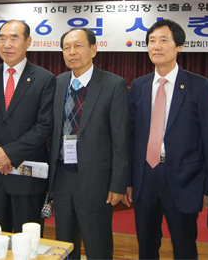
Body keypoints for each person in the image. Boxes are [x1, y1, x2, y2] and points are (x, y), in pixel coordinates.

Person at [123, 19, 208, 259]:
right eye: (152, 41)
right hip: (145, 176)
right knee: (146, 246)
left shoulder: (199, 86)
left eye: (164, 40)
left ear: (179, 46)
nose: (156, 46)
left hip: (184, 179)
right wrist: (128, 180)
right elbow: (130, 136)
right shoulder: (139, 86)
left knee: (184, 247)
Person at [48, 28, 130, 259]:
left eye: (78, 46)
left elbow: (121, 139)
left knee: (98, 244)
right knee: (64, 243)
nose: (72, 52)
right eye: (66, 48)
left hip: (96, 180)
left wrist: (118, 184)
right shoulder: (58, 83)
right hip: (62, 176)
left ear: (94, 49)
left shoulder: (113, 84)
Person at [0, 20, 55, 232]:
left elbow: (44, 125)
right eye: (2, 38)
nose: (7, 44)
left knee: (28, 239)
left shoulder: (45, 79)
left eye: (14, 38)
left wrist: (9, 154)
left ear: (28, 42)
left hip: (27, 177)